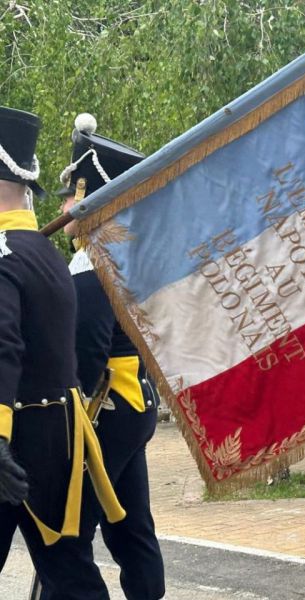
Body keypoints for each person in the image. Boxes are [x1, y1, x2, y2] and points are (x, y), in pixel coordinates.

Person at [0, 106, 124, 598]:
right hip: (57, 438)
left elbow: (3, 348)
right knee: (70, 574)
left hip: (15, 436)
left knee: (69, 575)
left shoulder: (7, 252)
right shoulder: (46, 255)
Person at [42, 113, 166, 600]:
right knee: (131, 528)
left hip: (105, 410)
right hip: (132, 407)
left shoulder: (91, 263)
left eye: (74, 196)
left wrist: (57, 427)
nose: (67, 208)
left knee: (69, 531)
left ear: (96, 201)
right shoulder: (123, 258)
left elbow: (85, 358)